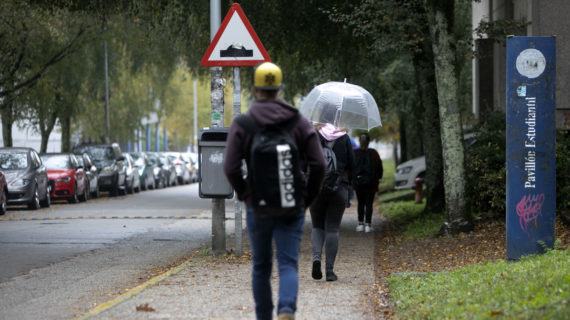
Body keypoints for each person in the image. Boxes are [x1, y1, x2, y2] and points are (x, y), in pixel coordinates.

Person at [224, 62, 325, 320]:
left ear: (256, 89)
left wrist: (246, 194)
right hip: (292, 204)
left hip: (258, 205)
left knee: (261, 267)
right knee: (288, 263)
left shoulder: (244, 123)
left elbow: (230, 167)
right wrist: (306, 198)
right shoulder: (298, 122)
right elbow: (319, 164)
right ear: (279, 89)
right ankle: (287, 309)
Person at [310, 122, 355, 282]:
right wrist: (350, 189)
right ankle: (329, 271)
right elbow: (352, 165)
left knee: (317, 226)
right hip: (339, 188)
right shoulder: (344, 138)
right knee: (332, 229)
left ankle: (316, 259)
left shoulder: (313, 135)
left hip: (316, 187)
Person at [353, 133, 383, 233]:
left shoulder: (355, 153)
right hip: (371, 183)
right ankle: (368, 225)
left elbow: (351, 168)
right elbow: (380, 168)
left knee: (360, 203)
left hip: (358, 183)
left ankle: (360, 223)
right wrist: (378, 178)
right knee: (369, 203)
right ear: (369, 142)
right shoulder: (374, 153)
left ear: (359, 141)